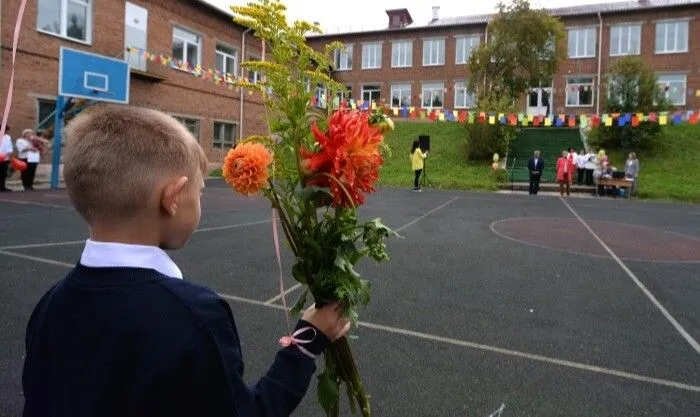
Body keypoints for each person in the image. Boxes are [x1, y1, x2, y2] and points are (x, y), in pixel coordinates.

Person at [22, 105, 350, 417]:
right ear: (174, 197)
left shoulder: (49, 305)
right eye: (200, 192)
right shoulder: (195, 315)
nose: (200, 202)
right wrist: (306, 343)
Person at [0, 126, 13, 192]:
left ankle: (2, 187)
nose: (6, 131)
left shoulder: (8, 137)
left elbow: (9, 146)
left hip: (5, 157)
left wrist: (9, 152)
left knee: (4, 173)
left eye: (6, 130)